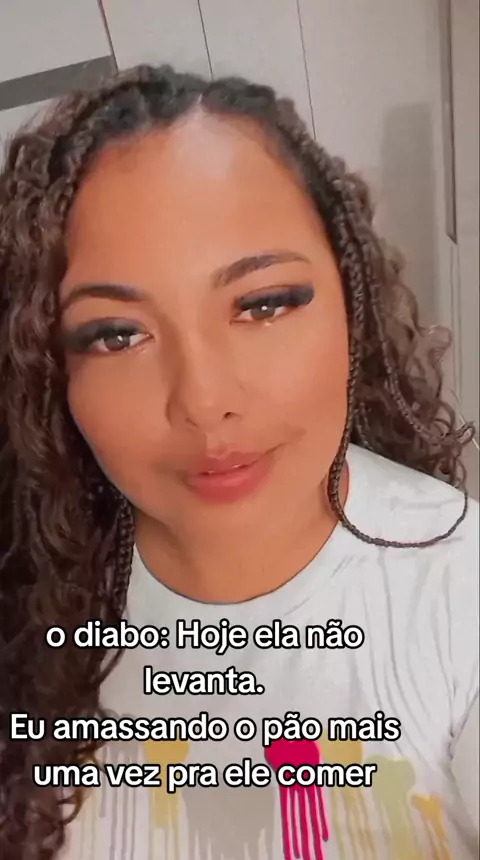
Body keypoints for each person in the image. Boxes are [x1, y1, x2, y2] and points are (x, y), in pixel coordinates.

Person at [0, 64, 478, 860]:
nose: (204, 401)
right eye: (116, 334)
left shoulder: (462, 593)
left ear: (352, 305)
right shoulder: (24, 595)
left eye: (262, 304)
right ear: (54, 375)